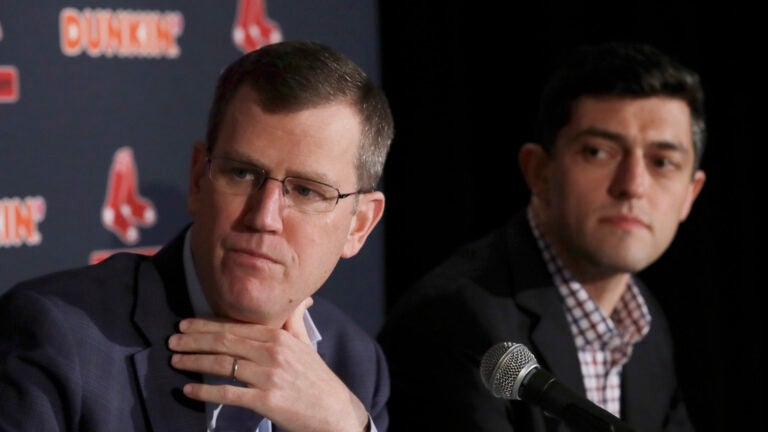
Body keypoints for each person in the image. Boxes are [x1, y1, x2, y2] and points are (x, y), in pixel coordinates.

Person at [0, 40, 394, 432]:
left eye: (307, 191)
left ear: (359, 225)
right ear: (197, 179)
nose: (264, 217)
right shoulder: (60, 337)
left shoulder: (354, 366)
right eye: (241, 174)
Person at [378, 41, 705, 431]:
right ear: (539, 171)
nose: (633, 185)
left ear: (690, 194)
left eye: (663, 162)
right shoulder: (456, 322)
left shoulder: (646, 327)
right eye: (599, 152)